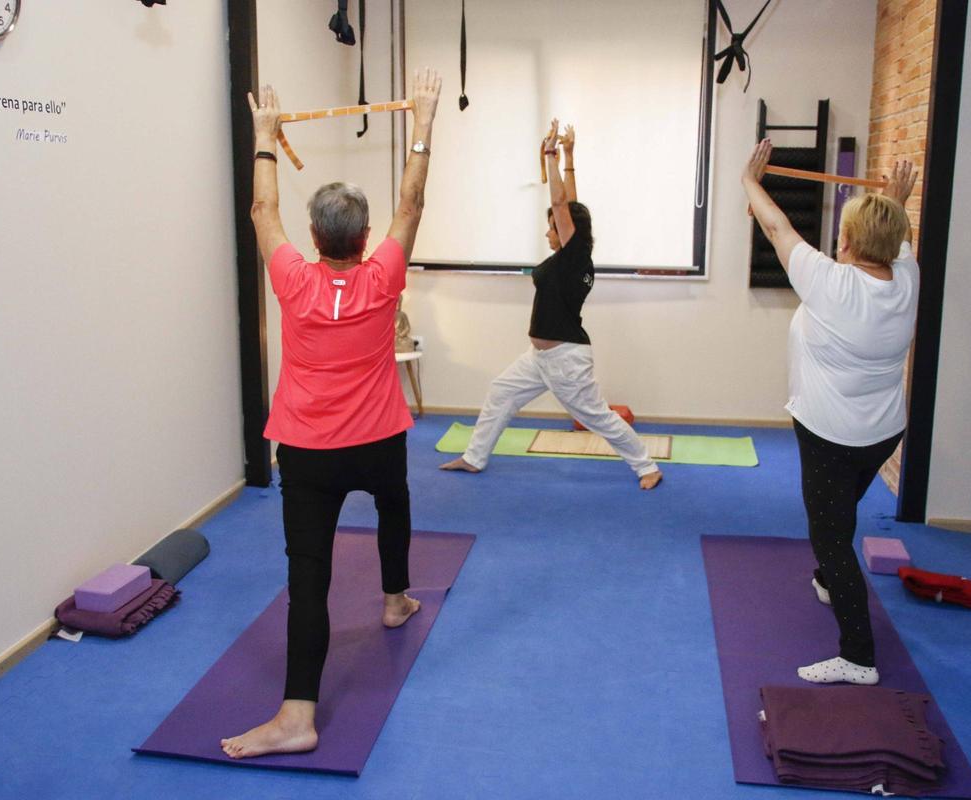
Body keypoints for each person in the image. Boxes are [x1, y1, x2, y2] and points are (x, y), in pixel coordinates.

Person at [221, 69, 442, 758]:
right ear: (366, 235)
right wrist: (425, 121)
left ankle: (296, 717)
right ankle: (394, 597)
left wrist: (264, 140)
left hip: (308, 453)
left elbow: (262, 215)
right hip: (377, 439)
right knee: (395, 503)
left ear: (314, 237)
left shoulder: (291, 278)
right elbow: (413, 199)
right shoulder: (384, 277)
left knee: (307, 575)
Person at [742, 139, 919, 686]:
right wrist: (894, 202)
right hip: (883, 435)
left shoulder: (832, 285)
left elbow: (777, 229)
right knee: (840, 514)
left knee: (832, 536)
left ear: (845, 242)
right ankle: (827, 578)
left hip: (829, 436)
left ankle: (859, 658)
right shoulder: (907, 279)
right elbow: (898, 239)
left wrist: (751, 181)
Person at [440, 120, 663, 490]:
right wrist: (570, 156)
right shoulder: (574, 255)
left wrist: (549, 156)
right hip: (539, 358)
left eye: (551, 227)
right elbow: (570, 206)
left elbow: (562, 204)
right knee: (501, 391)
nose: (547, 231)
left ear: (566, 231)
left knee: (598, 418)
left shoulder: (575, 257)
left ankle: (646, 467)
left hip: (566, 361)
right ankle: (474, 457)